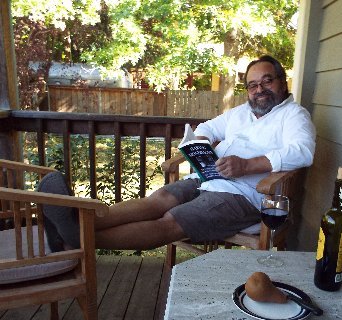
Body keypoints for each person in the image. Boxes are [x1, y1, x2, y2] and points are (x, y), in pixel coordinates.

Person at [38, 55, 316, 252]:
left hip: (245, 196)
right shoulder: (242, 113)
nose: (259, 90)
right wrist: (202, 146)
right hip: (208, 179)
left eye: (267, 82)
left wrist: (247, 165)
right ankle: (76, 221)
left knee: (170, 222)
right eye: (253, 85)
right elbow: (206, 128)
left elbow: (302, 152)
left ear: (282, 81)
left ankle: (77, 237)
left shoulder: (293, 115)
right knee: (157, 199)